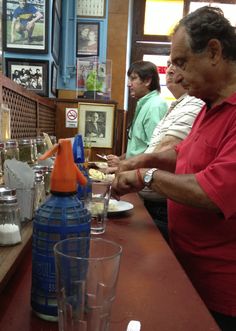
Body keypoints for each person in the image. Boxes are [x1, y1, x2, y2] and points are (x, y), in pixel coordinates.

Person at [111, 6, 236, 331]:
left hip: (221, 291)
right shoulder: (209, 107)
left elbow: (211, 192)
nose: (175, 74)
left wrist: (144, 176)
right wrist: (143, 159)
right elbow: (183, 152)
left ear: (213, 52)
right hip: (188, 269)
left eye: (181, 62)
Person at [140, 59, 204, 242]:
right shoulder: (178, 104)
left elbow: (163, 153)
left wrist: (138, 173)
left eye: (178, 62)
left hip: (165, 208)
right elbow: (164, 150)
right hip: (161, 204)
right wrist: (131, 164)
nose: (169, 70)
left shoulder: (195, 103)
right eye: (168, 64)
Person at [107, 60, 168, 166]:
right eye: (129, 79)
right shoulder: (144, 103)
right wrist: (120, 159)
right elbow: (138, 147)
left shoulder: (155, 106)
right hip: (134, 170)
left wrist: (123, 164)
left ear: (147, 81)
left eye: (133, 78)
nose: (128, 84)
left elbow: (154, 151)